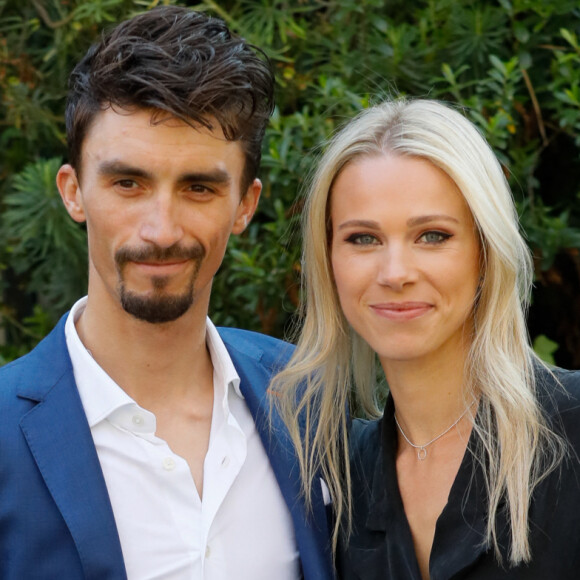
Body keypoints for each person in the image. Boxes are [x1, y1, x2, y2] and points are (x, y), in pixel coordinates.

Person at [0, 7, 333, 579]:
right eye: (128, 183)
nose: (161, 230)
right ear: (73, 192)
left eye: (199, 187)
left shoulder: (304, 398)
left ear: (245, 206)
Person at [272, 99, 580, 579]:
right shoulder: (335, 485)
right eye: (363, 239)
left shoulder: (572, 430)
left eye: (432, 236)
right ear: (328, 260)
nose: (395, 273)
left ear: (484, 251)